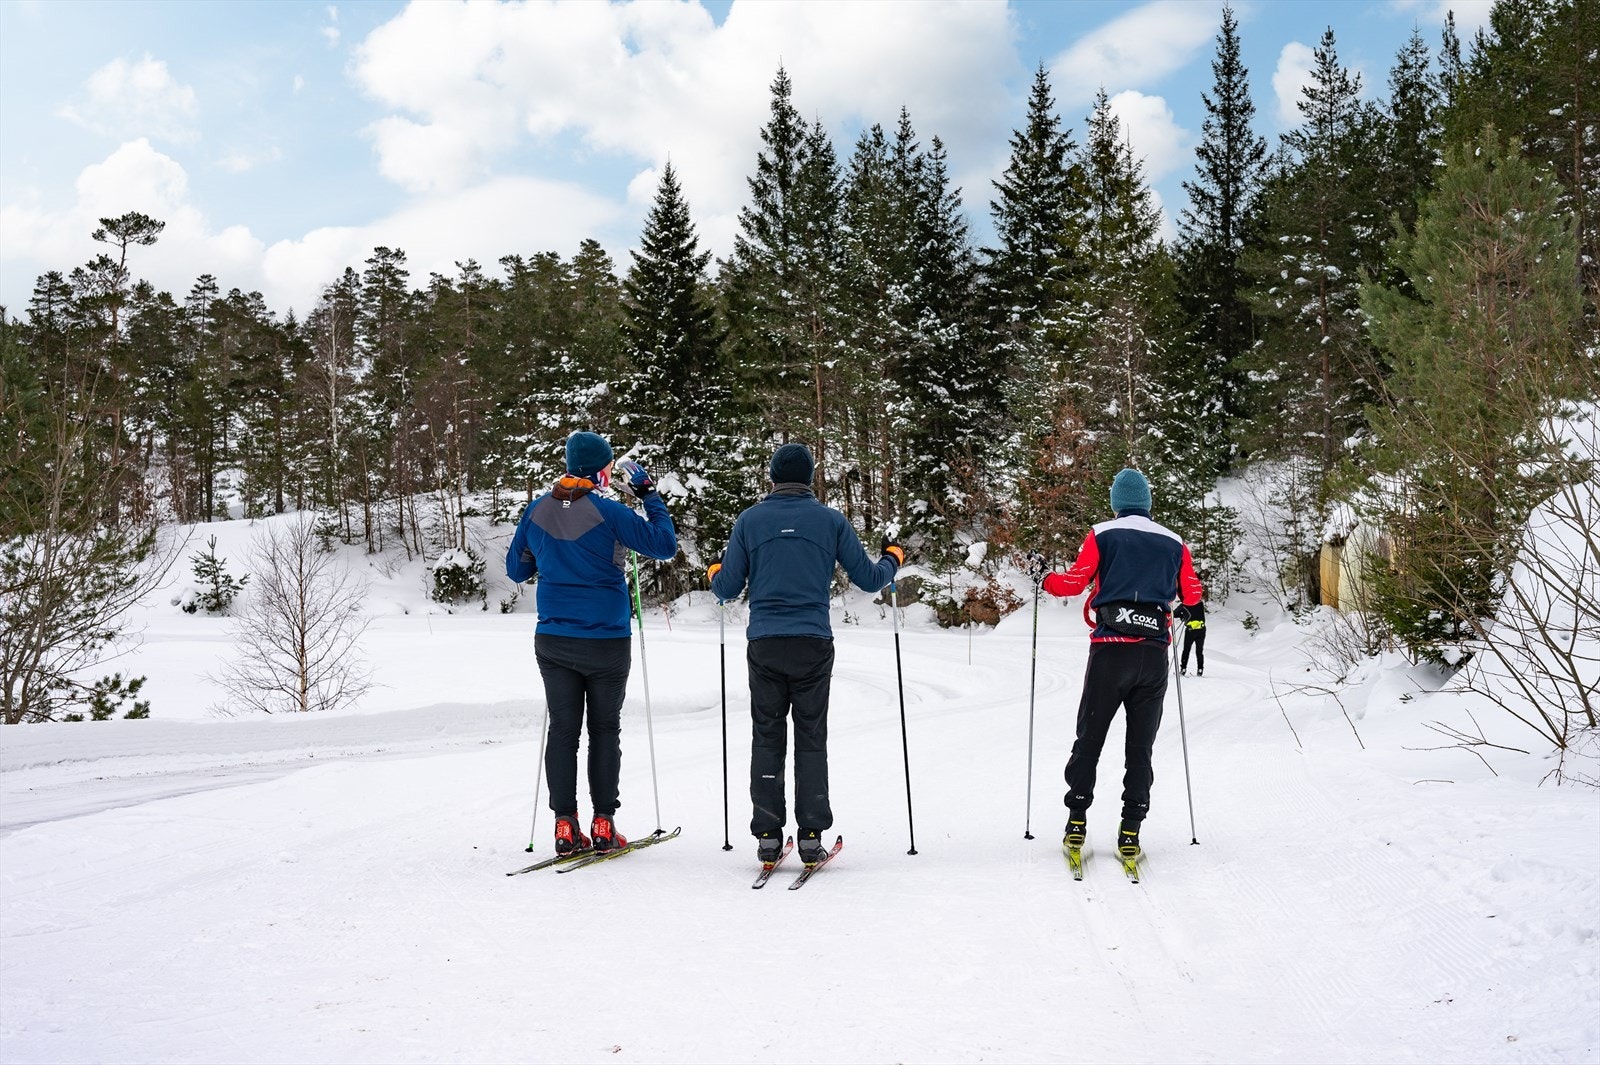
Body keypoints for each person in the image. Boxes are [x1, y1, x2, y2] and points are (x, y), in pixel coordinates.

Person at [709, 442, 903, 867]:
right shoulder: (831, 521)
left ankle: (767, 835)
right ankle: (811, 835)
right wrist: (893, 558)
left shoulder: (750, 520)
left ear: (773, 477)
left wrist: (714, 571)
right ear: (810, 477)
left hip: (765, 642)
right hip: (813, 642)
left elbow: (726, 588)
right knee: (811, 736)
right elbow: (870, 579)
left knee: (767, 735)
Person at [505, 431, 677, 857]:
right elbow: (664, 545)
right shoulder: (612, 512)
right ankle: (604, 823)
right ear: (601, 471)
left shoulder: (536, 510)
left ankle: (564, 824)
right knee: (604, 729)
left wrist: (548, 556)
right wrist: (648, 494)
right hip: (606, 639)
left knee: (564, 730)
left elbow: (516, 570)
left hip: (554, 639)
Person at [1031, 467, 1202, 861]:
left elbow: (1073, 583)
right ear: (1147, 503)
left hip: (1110, 652)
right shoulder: (1175, 542)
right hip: (1153, 656)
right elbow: (1192, 595)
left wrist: (1043, 577)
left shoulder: (1102, 533)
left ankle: (1076, 822)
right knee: (1140, 747)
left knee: (1090, 738)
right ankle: (1131, 830)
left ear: (1116, 503)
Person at [1178, 599, 1206, 677]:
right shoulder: (1200, 603)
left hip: (1190, 631)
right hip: (1201, 629)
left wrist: (1182, 615)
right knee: (1199, 651)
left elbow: (1175, 613)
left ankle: (1183, 669)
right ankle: (1200, 670)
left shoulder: (1184, 604)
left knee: (1186, 650)